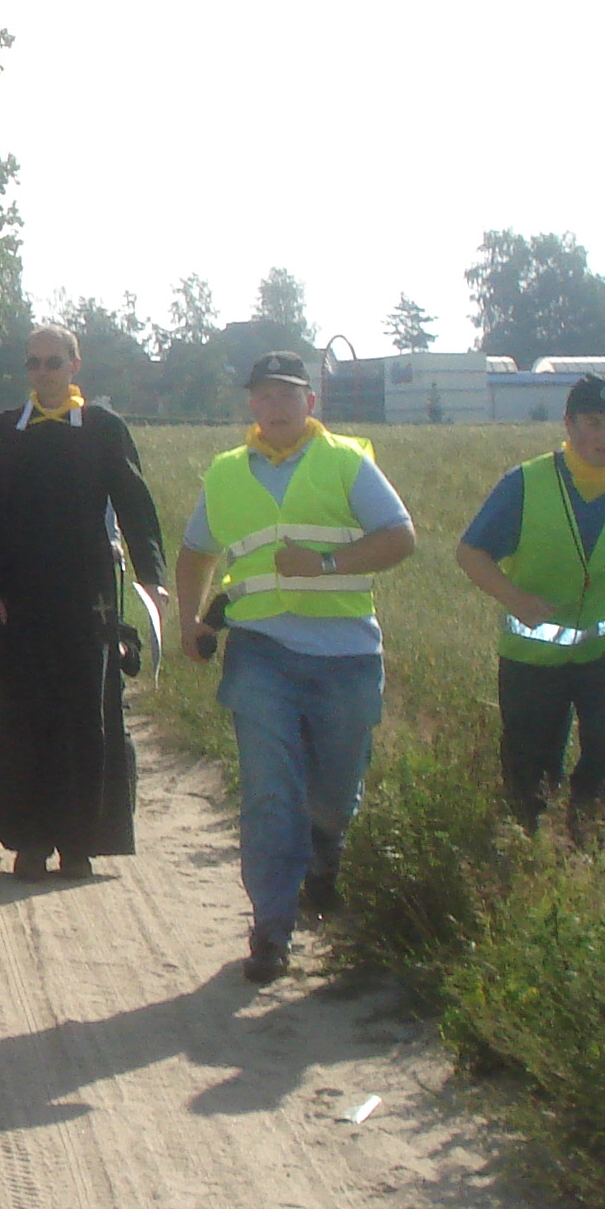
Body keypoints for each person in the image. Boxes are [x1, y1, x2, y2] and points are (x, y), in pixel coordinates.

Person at [173, 352, 418, 984]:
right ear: (251, 405)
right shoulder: (226, 472)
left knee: (334, 793)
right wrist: (189, 621)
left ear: (311, 403)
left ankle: (324, 858)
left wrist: (327, 566)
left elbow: (399, 537)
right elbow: (196, 552)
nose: (276, 406)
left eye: (288, 395)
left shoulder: (346, 463)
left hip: (346, 655)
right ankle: (271, 929)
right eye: (264, 396)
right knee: (271, 794)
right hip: (260, 655)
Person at [0, 327, 169, 878]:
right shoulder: (5, 431)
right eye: (34, 364)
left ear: (75, 365)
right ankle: (29, 840)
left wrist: (153, 578)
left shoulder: (103, 429)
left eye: (54, 363)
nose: (44, 373)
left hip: (87, 597)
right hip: (21, 599)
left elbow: (135, 505)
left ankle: (79, 841)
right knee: (22, 718)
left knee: (86, 717)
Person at [454, 373, 605, 837]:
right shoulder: (525, 483)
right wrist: (514, 598)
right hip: (534, 657)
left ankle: (585, 853)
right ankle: (530, 850)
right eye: (595, 423)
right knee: (530, 769)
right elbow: (470, 552)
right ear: (569, 425)